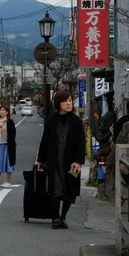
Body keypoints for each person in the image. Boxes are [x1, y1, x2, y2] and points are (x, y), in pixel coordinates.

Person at [37, 90, 86, 230]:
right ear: (58, 103)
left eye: (70, 100)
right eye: (65, 101)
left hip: (71, 162)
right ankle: (55, 218)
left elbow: (81, 142)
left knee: (69, 191)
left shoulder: (76, 121)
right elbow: (44, 141)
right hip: (54, 160)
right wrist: (40, 159)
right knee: (55, 189)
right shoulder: (51, 120)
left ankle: (63, 217)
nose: (69, 103)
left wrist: (78, 161)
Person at [0, 105, 16, 188]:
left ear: (7, 112)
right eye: (0, 110)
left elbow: (13, 134)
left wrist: (11, 144)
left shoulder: (9, 122)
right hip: (0, 145)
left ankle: (8, 182)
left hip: (8, 145)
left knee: (8, 163)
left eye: (3, 110)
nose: (1, 111)